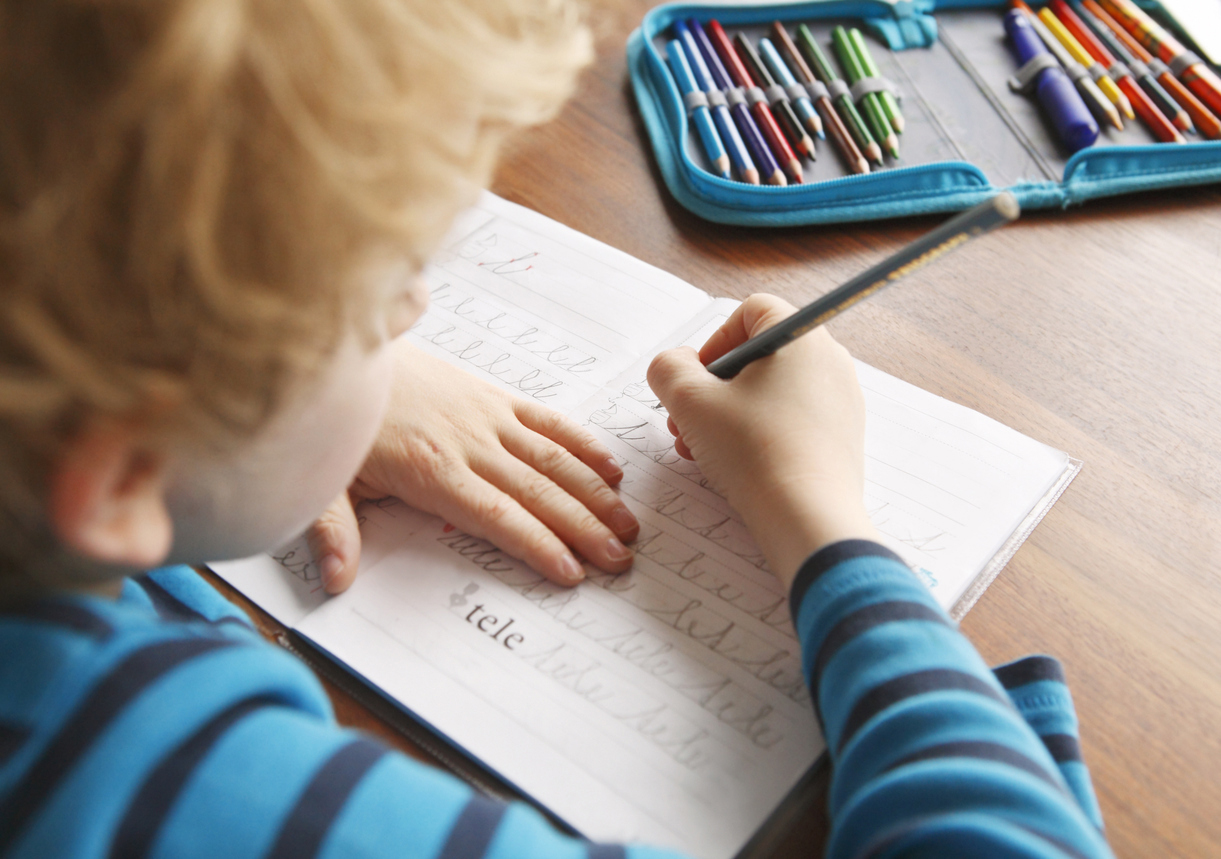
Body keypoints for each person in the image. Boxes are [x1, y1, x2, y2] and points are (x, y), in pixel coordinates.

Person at [0, 1, 1113, 857]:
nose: (413, 319)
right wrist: (826, 518)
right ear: (124, 470)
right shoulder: (161, 783)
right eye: (380, 292)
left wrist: (256, 411)